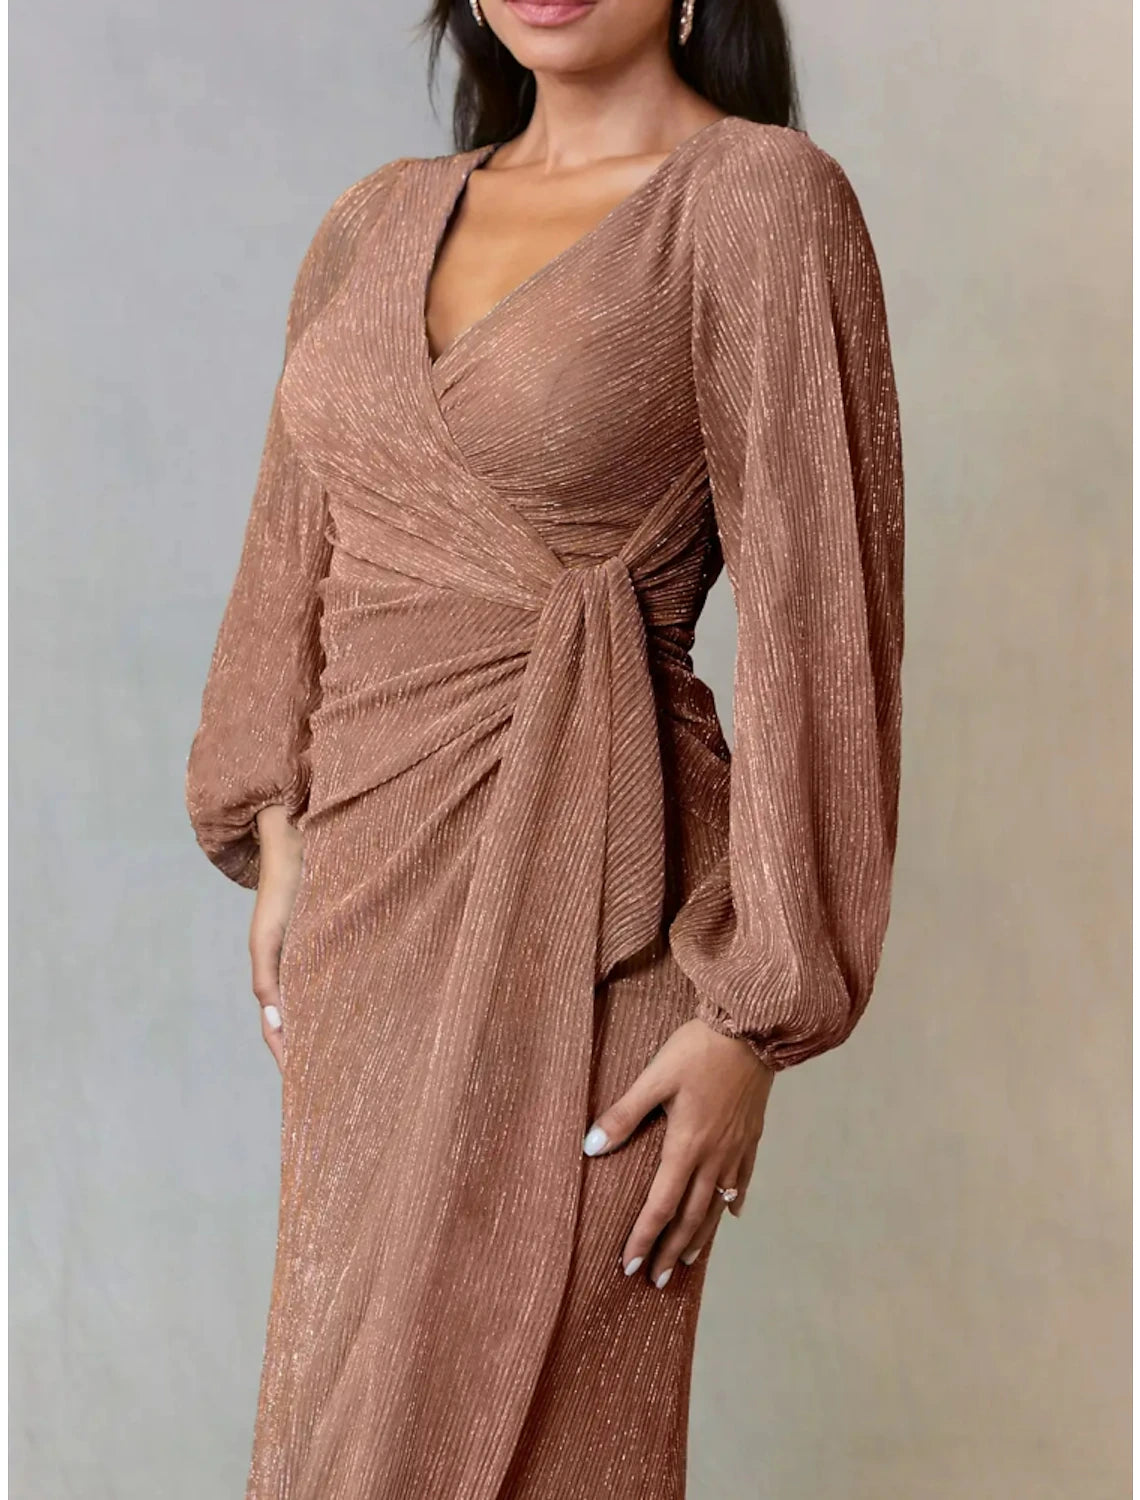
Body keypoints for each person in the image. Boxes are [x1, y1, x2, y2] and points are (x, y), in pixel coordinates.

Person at [184, 0, 905, 1494]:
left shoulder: (757, 200)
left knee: (542, 1437)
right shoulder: (371, 224)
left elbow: (819, 626)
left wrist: (754, 1017)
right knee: (339, 1430)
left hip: (606, 925)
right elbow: (290, 562)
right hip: (367, 930)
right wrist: (279, 837)